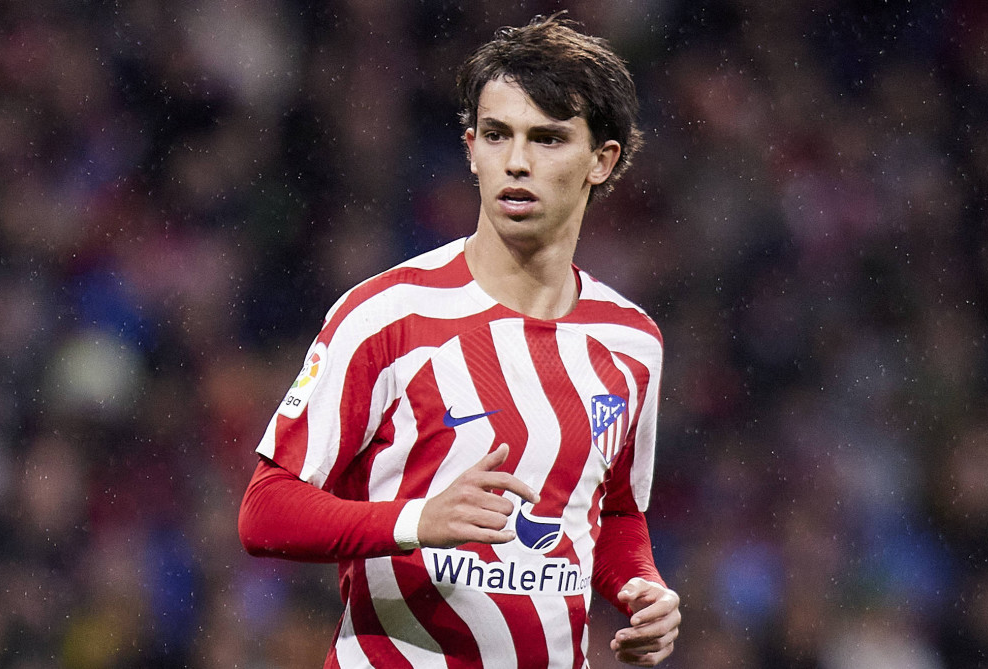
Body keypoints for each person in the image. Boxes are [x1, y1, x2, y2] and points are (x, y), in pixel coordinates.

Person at [239, 12, 681, 668]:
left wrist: (640, 583)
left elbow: (613, 510)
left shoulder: (632, 342)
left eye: (549, 138)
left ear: (601, 159)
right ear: (471, 149)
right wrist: (417, 519)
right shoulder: (386, 316)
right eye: (498, 135)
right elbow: (265, 511)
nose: (518, 161)